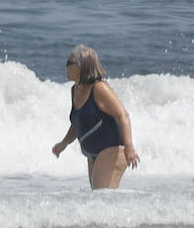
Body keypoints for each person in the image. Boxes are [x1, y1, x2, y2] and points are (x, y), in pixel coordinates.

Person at [51, 45, 140, 189]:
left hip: (111, 150)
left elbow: (123, 115)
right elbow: (78, 123)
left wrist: (129, 147)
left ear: (80, 66)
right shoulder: (75, 90)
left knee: (102, 199)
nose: (65, 67)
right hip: (93, 155)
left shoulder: (99, 88)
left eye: (69, 63)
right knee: (98, 200)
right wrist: (64, 143)